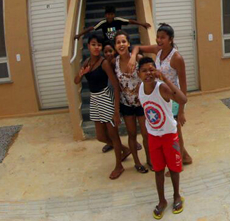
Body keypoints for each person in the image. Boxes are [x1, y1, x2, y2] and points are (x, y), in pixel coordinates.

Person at [130, 23, 193, 165]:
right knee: (168, 130)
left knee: (175, 132)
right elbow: (137, 48)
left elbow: (183, 85)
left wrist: (182, 111)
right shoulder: (157, 50)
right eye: (158, 37)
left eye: (163, 38)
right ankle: (186, 157)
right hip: (161, 98)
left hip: (174, 98)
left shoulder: (176, 58)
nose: (159, 40)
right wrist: (134, 57)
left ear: (170, 39)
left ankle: (178, 161)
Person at [74, 33, 130, 179]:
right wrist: (81, 74)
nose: (96, 47)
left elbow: (116, 86)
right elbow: (76, 81)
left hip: (106, 98)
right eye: (93, 44)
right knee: (100, 136)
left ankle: (119, 165)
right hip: (95, 99)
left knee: (113, 135)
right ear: (88, 46)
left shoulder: (104, 63)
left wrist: (116, 111)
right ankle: (125, 150)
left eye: (99, 45)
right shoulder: (86, 62)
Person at [137, 57, 187, 219]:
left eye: (152, 69)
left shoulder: (162, 88)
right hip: (154, 137)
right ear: (139, 74)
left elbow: (182, 99)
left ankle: (177, 196)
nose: (148, 73)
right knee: (158, 170)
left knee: (174, 169)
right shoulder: (140, 89)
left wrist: (165, 79)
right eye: (144, 70)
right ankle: (162, 200)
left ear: (157, 71)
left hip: (169, 136)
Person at [113, 30, 151, 173]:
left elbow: (148, 76)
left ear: (128, 43)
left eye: (124, 41)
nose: (121, 44)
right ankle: (137, 162)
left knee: (146, 134)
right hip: (126, 105)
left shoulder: (139, 58)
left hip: (141, 104)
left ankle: (150, 160)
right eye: (118, 42)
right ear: (115, 46)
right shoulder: (114, 62)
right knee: (132, 134)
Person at [75, 5, 151, 44]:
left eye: (112, 14)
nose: (110, 16)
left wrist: (142, 24)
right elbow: (91, 28)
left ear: (114, 15)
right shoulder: (103, 23)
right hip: (107, 42)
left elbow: (130, 21)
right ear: (105, 15)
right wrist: (79, 35)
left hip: (118, 41)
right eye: (108, 14)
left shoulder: (118, 20)